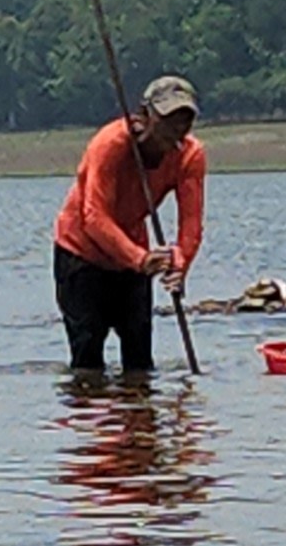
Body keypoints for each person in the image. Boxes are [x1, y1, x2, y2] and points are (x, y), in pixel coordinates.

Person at [54, 75, 206, 372]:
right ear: (145, 116)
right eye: (169, 119)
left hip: (134, 256)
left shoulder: (190, 155)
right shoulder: (110, 144)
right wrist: (141, 259)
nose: (177, 129)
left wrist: (179, 265)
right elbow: (94, 217)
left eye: (185, 119)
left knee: (139, 363)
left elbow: (192, 225)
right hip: (81, 253)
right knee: (88, 359)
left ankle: (137, 414)